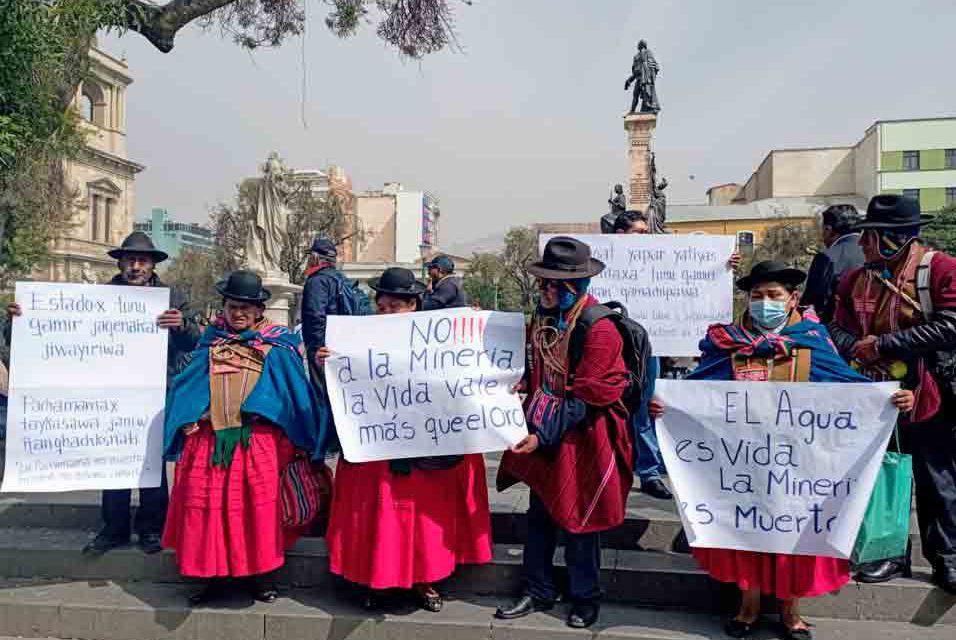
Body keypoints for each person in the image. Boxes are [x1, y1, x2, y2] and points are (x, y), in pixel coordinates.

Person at [651, 260, 914, 639]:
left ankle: (791, 612)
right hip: (742, 462)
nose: (764, 303)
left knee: (796, 538)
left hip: (799, 467)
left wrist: (890, 399)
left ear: (792, 299)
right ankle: (748, 608)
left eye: (773, 295)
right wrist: (666, 405)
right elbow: (698, 386)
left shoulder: (812, 340)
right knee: (745, 534)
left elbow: (849, 387)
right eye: (756, 296)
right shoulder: (728, 343)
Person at [6, 231, 200, 557]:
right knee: (113, 463)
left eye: (142, 261)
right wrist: (20, 320)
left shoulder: (172, 298)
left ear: (153, 265)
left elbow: (195, 341)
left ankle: (152, 528)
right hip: (111, 396)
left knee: (150, 463)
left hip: (153, 394)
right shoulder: (100, 298)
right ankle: (114, 528)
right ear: (121, 263)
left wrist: (182, 325)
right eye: (130, 260)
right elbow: (54, 330)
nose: (136, 266)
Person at [321, 267, 492, 612]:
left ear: (413, 305)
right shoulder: (358, 339)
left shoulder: (439, 341)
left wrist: (474, 334)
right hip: (376, 448)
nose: (386, 312)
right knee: (376, 516)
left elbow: (465, 377)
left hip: (424, 452)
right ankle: (374, 579)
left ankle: (424, 580)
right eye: (382, 306)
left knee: (423, 520)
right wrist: (328, 361)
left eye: (395, 306)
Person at [162, 270, 329, 604]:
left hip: (257, 443)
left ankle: (260, 575)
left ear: (259, 311)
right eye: (232, 306)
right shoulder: (210, 342)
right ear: (223, 306)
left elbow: (294, 396)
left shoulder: (279, 347)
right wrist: (194, 414)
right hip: (210, 443)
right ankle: (211, 577)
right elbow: (187, 386)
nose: (238, 313)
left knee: (257, 512)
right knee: (209, 511)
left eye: (246, 308)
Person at [495, 237, 633, 629]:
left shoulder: (600, 329)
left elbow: (587, 398)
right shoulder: (542, 319)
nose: (544, 290)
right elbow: (537, 370)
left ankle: (585, 596)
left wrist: (542, 436)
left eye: (552, 284)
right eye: (542, 283)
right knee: (539, 513)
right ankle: (538, 589)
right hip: (544, 422)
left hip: (584, 430)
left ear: (575, 287)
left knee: (580, 518)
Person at [829, 194, 956, 593]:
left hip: (930, 389)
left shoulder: (941, 270)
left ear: (899, 237)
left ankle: (948, 558)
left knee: (937, 477)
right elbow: (835, 327)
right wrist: (857, 347)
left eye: (873, 236)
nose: (864, 244)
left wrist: (883, 345)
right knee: (883, 474)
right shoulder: (856, 279)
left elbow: (952, 325)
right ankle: (886, 553)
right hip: (874, 393)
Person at [800, 204, 865, 323]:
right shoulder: (873, 252)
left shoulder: (826, 258)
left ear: (828, 230)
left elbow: (812, 303)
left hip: (835, 330)